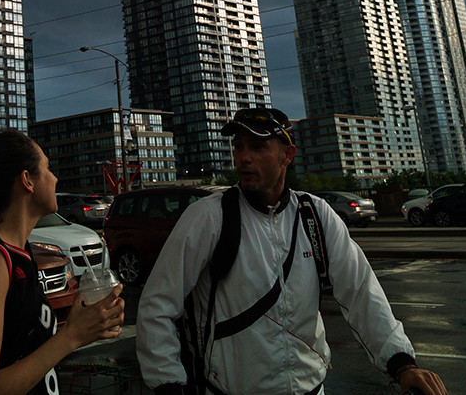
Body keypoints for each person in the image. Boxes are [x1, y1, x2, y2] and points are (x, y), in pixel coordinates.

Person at [137, 108, 447, 395]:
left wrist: (402, 363)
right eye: (238, 146)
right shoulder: (208, 217)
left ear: (287, 155)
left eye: (257, 147)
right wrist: (168, 384)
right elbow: (158, 305)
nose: (243, 157)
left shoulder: (315, 215)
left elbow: (361, 292)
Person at [0, 130, 127, 395]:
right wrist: (71, 336)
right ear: (27, 180)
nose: (55, 177)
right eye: (47, 168)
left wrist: (84, 324)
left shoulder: (21, 251)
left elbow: (22, 352)